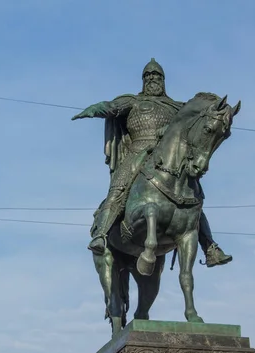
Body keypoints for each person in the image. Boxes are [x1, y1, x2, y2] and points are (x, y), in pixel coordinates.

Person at [72, 58, 232, 268]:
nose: (153, 79)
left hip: (170, 158)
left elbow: (197, 123)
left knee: (193, 199)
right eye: (148, 76)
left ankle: (210, 247)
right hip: (137, 153)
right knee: (118, 189)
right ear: (143, 80)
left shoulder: (176, 107)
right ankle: (101, 235)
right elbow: (111, 107)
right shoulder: (133, 101)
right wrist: (95, 109)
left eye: (157, 76)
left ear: (163, 80)